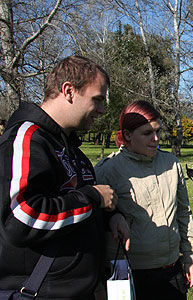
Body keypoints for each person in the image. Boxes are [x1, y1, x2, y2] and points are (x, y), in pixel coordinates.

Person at [0, 55, 129, 299]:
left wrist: (110, 217)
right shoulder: (27, 139)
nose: (102, 110)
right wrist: (92, 197)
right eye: (97, 99)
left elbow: (71, 206)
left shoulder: (71, 149)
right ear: (69, 90)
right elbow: (22, 217)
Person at [94, 100, 193, 300]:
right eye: (147, 133)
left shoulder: (171, 164)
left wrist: (189, 258)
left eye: (158, 131)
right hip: (131, 274)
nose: (156, 138)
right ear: (127, 135)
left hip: (171, 269)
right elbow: (97, 226)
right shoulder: (107, 170)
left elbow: (184, 213)